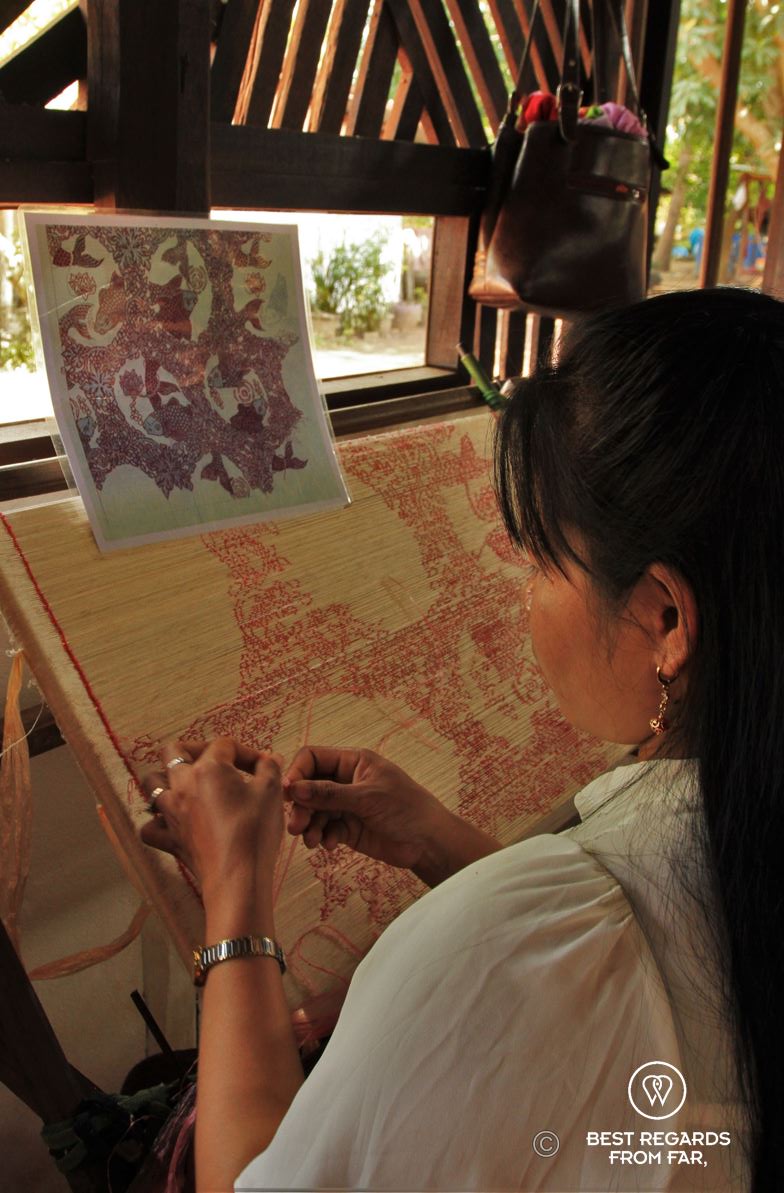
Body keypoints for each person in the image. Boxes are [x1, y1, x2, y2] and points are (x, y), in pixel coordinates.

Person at [140, 287, 784, 1193]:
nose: (522, 597)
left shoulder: (500, 953)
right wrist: (445, 846)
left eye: (538, 561)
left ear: (666, 616)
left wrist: (233, 899)